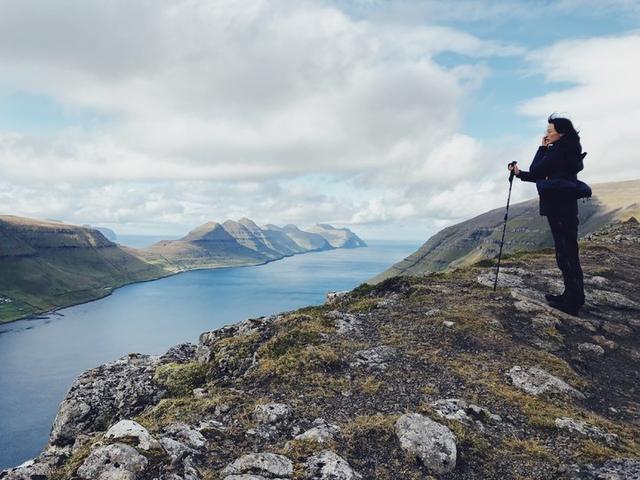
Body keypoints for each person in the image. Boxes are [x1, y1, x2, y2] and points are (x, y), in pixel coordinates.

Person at [508, 114, 585, 316]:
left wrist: (541, 148)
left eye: (550, 131)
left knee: (566, 252)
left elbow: (537, 169)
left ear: (562, 133)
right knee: (565, 251)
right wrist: (519, 174)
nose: (547, 134)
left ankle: (573, 300)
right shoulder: (564, 152)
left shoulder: (559, 153)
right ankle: (570, 295)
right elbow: (539, 175)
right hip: (563, 207)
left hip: (560, 208)